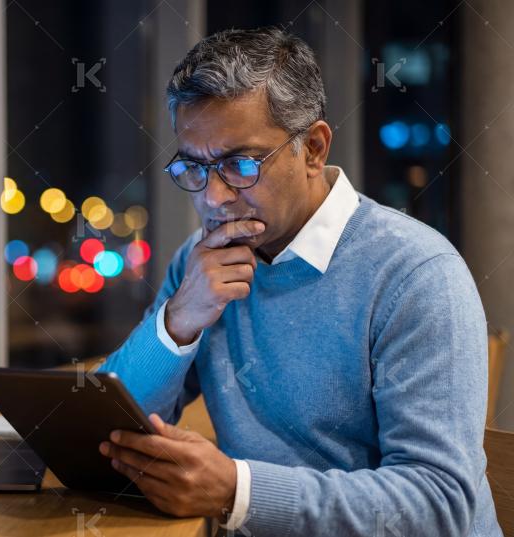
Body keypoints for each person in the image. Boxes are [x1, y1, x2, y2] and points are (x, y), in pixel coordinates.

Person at [97, 27, 502, 536]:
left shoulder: (417, 274)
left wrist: (237, 492)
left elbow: (438, 505)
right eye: (194, 167)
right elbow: (107, 430)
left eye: (240, 164)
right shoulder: (201, 263)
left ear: (312, 148)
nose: (214, 198)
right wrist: (178, 320)